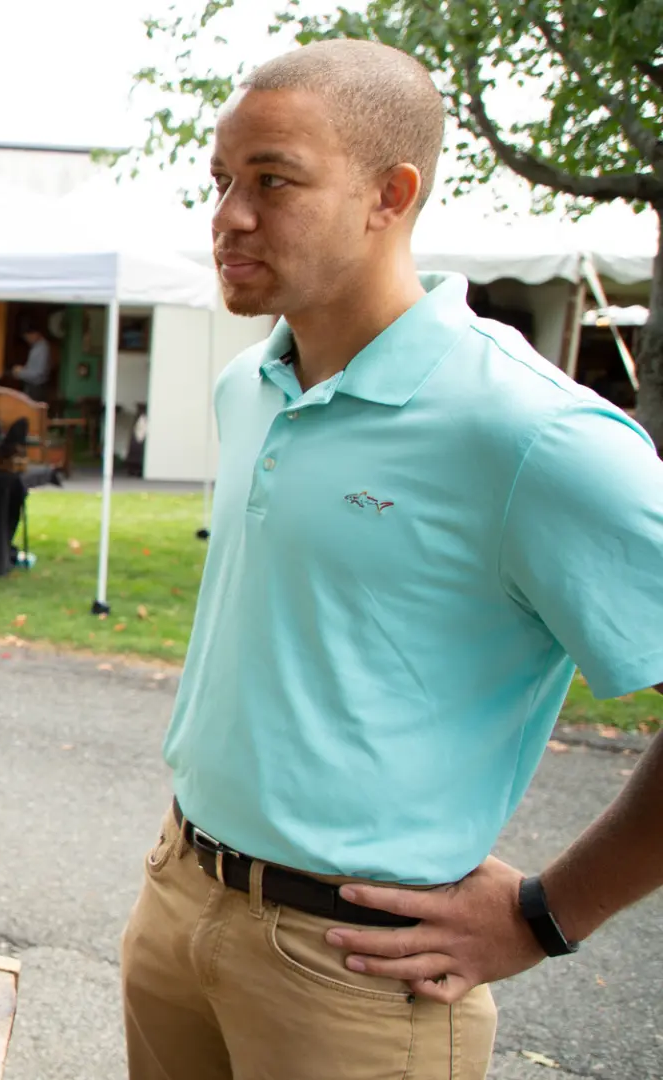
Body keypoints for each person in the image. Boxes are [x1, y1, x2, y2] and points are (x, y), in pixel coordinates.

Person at [121, 39, 663, 1080]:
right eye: (222, 180)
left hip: (355, 973)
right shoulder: (253, 387)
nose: (229, 215)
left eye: (273, 180)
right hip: (179, 894)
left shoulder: (530, 432)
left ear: (390, 195)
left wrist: (548, 916)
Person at [16, 326, 52, 400]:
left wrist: (20, 372)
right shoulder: (36, 347)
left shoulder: (43, 349)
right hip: (32, 387)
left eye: (28, 337)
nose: (28, 340)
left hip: (37, 389)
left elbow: (38, 373)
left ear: (35, 334)